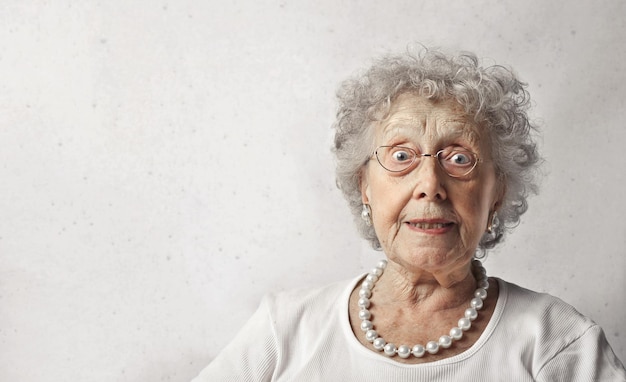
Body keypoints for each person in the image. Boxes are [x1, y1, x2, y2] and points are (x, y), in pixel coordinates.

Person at [192, 47, 626, 381]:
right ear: (365, 186)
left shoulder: (558, 342)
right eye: (401, 155)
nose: (430, 184)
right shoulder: (284, 328)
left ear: (497, 193)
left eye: (459, 159)